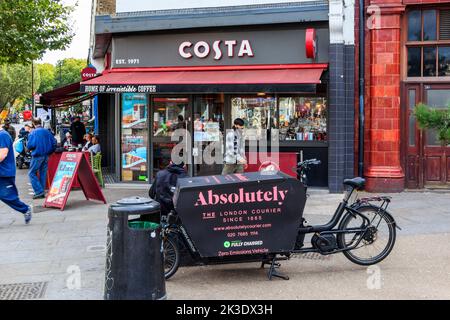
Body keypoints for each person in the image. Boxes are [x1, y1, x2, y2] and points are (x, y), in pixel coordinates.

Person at [0, 119, 32, 224]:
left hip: (4, 173)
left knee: (8, 196)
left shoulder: (2, 135)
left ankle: (25, 209)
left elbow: (2, 154)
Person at [27, 118, 57, 199]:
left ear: (33, 123)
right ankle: (41, 191)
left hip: (37, 155)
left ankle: (39, 191)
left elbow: (30, 146)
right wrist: (49, 152)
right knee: (42, 173)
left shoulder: (33, 133)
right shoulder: (47, 131)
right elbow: (54, 143)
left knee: (31, 173)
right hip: (46, 155)